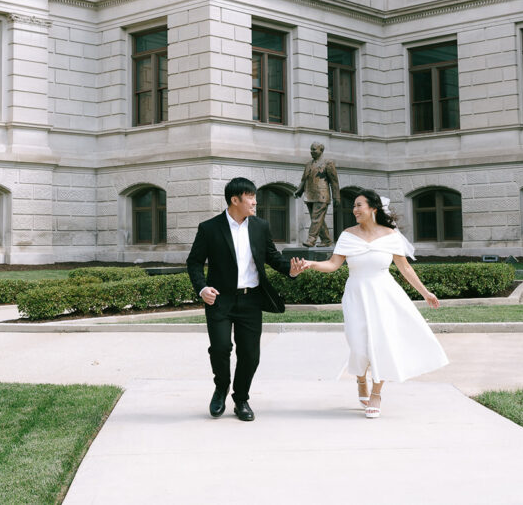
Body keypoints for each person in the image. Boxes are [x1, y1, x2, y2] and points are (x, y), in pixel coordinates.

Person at [291, 189, 448, 418]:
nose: (354, 210)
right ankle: (361, 379)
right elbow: (333, 264)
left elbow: (404, 268)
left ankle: (376, 392)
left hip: (384, 294)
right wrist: (310, 264)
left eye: (359, 205)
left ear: (373, 208)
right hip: (357, 294)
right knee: (358, 344)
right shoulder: (347, 235)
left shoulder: (391, 235)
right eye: (353, 206)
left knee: (382, 342)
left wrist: (425, 293)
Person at [187, 177, 302, 421]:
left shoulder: (260, 226)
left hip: (251, 300)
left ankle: (241, 399)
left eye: (255, 197)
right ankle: (221, 388)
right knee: (220, 348)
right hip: (219, 300)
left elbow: (271, 256)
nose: (255, 202)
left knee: (250, 354)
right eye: (250, 197)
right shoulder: (209, 228)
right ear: (234, 200)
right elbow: (194, 262)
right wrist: (202, 289)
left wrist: (289, 270)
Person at [294, 142, 340, 247]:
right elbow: (304, 179)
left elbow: (334, 181)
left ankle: (311, 239)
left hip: (322, 195)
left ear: (321, 150)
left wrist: (336, 197)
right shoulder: (308, 164)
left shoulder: (328, 163)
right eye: (311, 149)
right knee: (319, 220)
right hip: (309, 195)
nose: (312, 152)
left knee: (316, 218)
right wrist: (299, 191)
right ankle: (326, 240)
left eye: (314, 149)